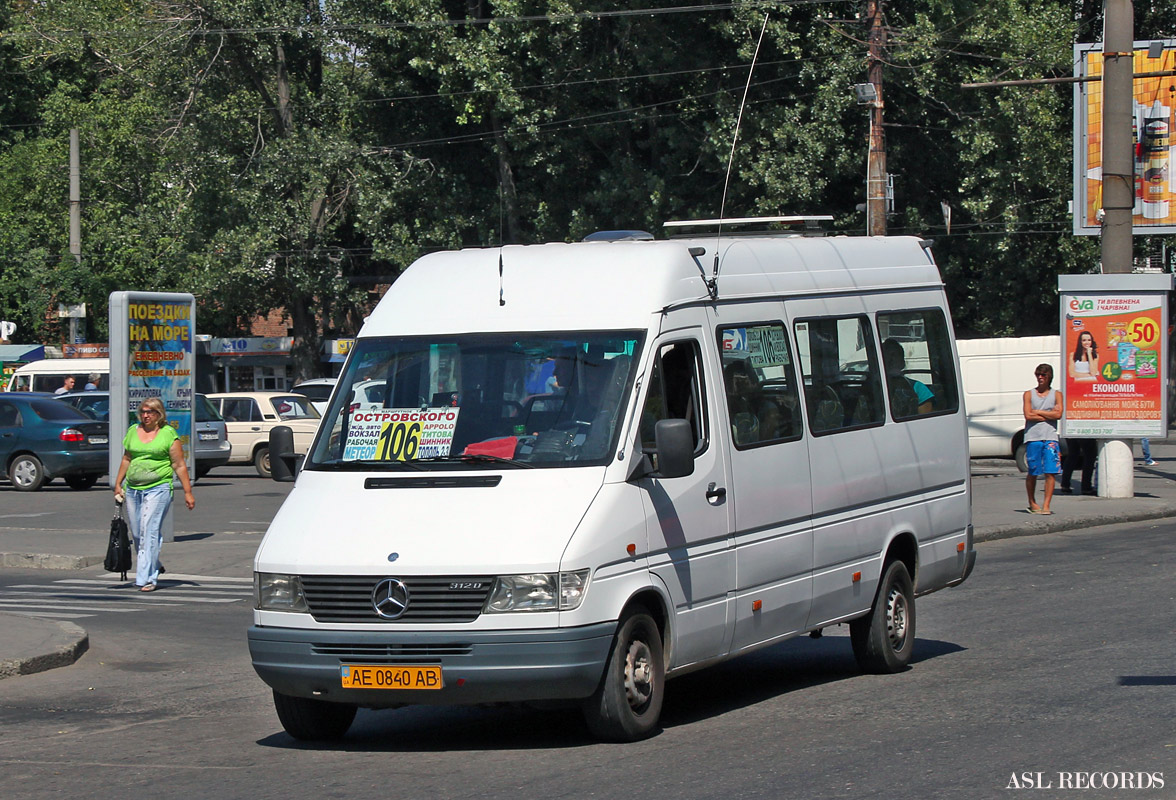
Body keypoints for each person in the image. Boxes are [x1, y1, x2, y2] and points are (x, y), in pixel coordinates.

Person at [112, 397, 195, 592]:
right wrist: (118, 483)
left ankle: (147, 578)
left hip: (159, 487)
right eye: (143, 412)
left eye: (150, 412)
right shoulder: (133, 431)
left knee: (149, 530)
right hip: (133, 488)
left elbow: (179, 465)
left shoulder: (168, 434)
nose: (145, 415)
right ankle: (154, 565)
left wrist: (188, 492)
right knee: (137, 533)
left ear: (159, 414)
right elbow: (127, 457)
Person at [1023, 364, 1063, 514]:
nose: (1040, 377)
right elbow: (1028, 415)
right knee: (1033, 470)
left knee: (1050, 472)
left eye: (1043, 375)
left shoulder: (1056, 394)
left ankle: (1046, 505)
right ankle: (1032, 502)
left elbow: (1058, 415)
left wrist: (1038, 412)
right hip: (1033, 437)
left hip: (1050, 437)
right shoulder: (1029, 394)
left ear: (1049, 377)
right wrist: (1048, 414)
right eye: (1038, 374)